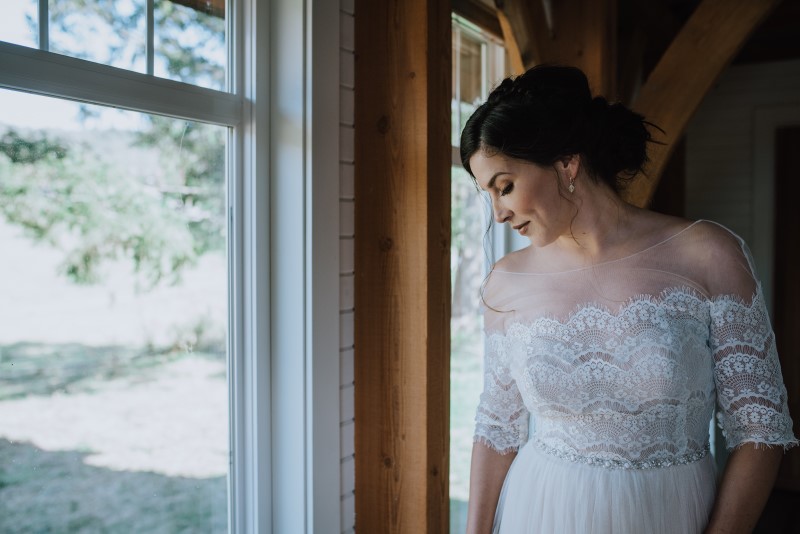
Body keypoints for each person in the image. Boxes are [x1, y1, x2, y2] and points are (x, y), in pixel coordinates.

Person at [460, 64, 797, 534]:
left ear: (565, 163)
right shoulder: (506, 281)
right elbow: (496, 427)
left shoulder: (709, 254)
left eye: (505, 186)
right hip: (540, 510)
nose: (498, 214)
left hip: (668, 513)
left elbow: (761, 427)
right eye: (487, 196)